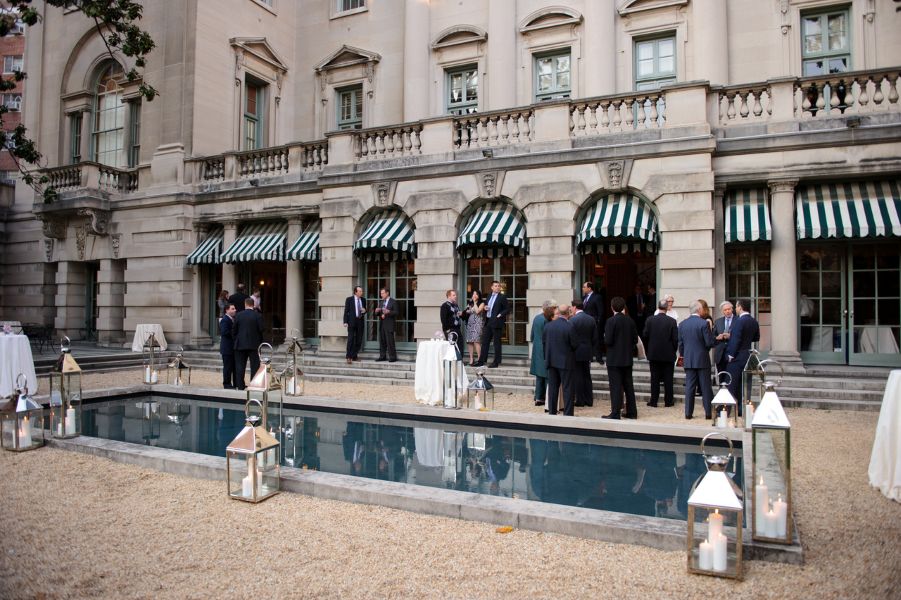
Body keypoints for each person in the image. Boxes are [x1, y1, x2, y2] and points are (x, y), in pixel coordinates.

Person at [678, 300, 716, 419]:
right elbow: (709, 342)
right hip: (702, 359)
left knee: (690, 387)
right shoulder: (703, 323)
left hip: (689, 359)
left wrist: (684, 355)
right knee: (705, 387)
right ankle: (708, 413)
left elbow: (680, 344)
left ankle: (688, 413)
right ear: (699, 310)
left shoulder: (683, 324)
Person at [603, 296, 638, 420]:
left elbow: (608, 340)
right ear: (623, 307)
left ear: (612, 307)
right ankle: (632, 412)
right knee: (629, 386)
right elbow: (635, 340)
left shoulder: (610, 321)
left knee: (616, 387)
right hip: (627, 358)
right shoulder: (630, 321)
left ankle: (615, 412)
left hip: (614, 359)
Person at [725, 298, 761, 409]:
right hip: (747, 355)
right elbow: (756, 337)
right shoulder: (753, 321)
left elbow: (736, 340)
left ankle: (725, 409)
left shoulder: (739, 321)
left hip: (737, 356)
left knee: (731, 384)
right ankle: (743, 409)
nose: (735, 309)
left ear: (740, 307)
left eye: (736, 307)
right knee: (745, 385)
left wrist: (731, 355)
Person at [643, 299, 679, 407]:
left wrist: (649, 347)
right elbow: (675, 339)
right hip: (668, 354)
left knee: (654, 379)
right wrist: (673, 350)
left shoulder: (650, 320)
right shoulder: (672, 321)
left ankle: (654, 401)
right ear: (666, 308)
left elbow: (645, 335)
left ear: (658, 307)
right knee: (668, 379)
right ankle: (668, 401)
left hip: (654, 353)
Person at [543, 303, 575, 416]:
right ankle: (568, 413)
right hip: (566, 362)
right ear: (568, 313)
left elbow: (544, 344)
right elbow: (574, 344)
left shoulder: (548, 326)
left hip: (551, 361)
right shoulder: (570, 326)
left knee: (553, 388)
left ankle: (552, 412)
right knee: (567, 388)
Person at [569, 301, 598, 408]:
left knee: (578, 376)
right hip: (587, 351)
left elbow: (571, 338)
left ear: (575, 307)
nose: (571, 309)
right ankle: (589, 400)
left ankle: (580, 400)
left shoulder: (572, 320)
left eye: (572, 306)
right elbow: (595, 338)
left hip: (576, 351)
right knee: (587, 376)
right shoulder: (591, 319)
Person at [476, 280, 509, 368]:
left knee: (496, 343)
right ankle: (481, 361)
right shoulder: (489, 295)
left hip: (497, 322)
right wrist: (485, 308)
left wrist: (500, 314)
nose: (497, 287)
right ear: (492, 287)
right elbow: (486, 305)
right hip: (488, 321)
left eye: (498, 286)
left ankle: (496, 362)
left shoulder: (502, 297)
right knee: (485, 342)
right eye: (495, 286)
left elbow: (507, 309)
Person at [233, 298, 263, 390]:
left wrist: (236, 340)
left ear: (245, 304)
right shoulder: (257, 315)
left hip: (240, 344)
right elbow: (261, 329)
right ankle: (253, 385)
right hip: (254, 344)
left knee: (240, 366)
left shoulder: (238, 315)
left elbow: (234, 330)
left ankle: (240, 386)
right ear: (253, 305)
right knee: (254, 366)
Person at [529, 300, 555, 407]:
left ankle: (539, 397)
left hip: (536, 349)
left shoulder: (536, 318)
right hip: (545, 348)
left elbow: (531, 336)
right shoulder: (547, 319)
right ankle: (546, 398)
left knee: (540, 375)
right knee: (547, 375)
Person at [581, 281, 605, 363]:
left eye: (584, 287)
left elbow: (601, 311)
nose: (583, 288)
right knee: (587, 339)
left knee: (597, 340)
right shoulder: (583, 298)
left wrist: (598, 322)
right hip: (585, 323)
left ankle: (599, 357)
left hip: (595, 323)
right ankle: (589, 357)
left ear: (589, 288)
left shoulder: (597, 297)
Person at [343, 286, 366, 364]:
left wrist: (364, 311)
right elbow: (346, 311)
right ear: (355, 292)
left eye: (361, 291)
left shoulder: (363, 300)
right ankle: (349, 356)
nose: (361, 293)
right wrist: (345, 321)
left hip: (360, 322)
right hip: (352, 322)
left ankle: (354, 356)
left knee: (359, 340)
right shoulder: (349, 299)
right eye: (360, 291)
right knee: (351, 339)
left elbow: (365, 311)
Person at [374, 287, 398, 362]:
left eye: (382, 293)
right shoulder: (381, 302)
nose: (381, 295)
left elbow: (397, 312)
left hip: (389, 324)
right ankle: (382, 356)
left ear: (387, 293)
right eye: (381, 293)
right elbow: (378, 314)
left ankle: (393, 357)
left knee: (390, 341)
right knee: (382, 341)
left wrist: (389, 312)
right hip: (382, 324)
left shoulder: (393, 302)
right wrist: (377, 311)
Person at [463, 290, 486, 366]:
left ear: (479, 295)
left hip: (478, 324)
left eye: (476, 294)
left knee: (476, 341)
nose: (474, 295)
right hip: (470, 324)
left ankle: (480, 359)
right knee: (470, 341)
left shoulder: (482, 303)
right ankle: (471, 359)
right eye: (473, 294)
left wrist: (475, 303)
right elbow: (466, 312)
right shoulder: (470, 303)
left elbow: (477, 311)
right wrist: (464, 312)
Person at [713, 301, 734, 376]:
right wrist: (717, 337)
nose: (727, 311)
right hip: (720, 354)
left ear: (732, 309)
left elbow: (742, 336)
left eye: (729, 309)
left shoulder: (738, 320)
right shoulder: (718, 322)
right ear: (722, 311)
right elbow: (712, 337)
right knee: (721, 377)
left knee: (732, 377)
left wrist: (730, 336)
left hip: (733, 354)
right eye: (725, 310)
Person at [440, 289, 464, 356]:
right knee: (452, 346)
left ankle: (459, 361)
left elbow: (459, 316)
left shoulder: (455, 305)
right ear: (449, 296)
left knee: (460, 345)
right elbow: (443, 319)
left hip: (457, 328)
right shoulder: (444, 306)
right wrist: (447, 330)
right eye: (454, 295)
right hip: (450, 329)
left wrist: (462, 314)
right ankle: (452, 363)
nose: (455, 296)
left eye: (455, 295)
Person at [219, 303, 237, 389]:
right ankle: (227, 384)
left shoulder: (233, 319)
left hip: (233, 348)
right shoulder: (225, 320)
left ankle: (236, 383)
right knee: (227, 367)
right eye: (232, 309)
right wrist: (234, 333)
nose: (235, 310)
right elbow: (224, 332)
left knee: (234, 367)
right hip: (227, 348)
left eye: (234, 309)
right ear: (227, 310)